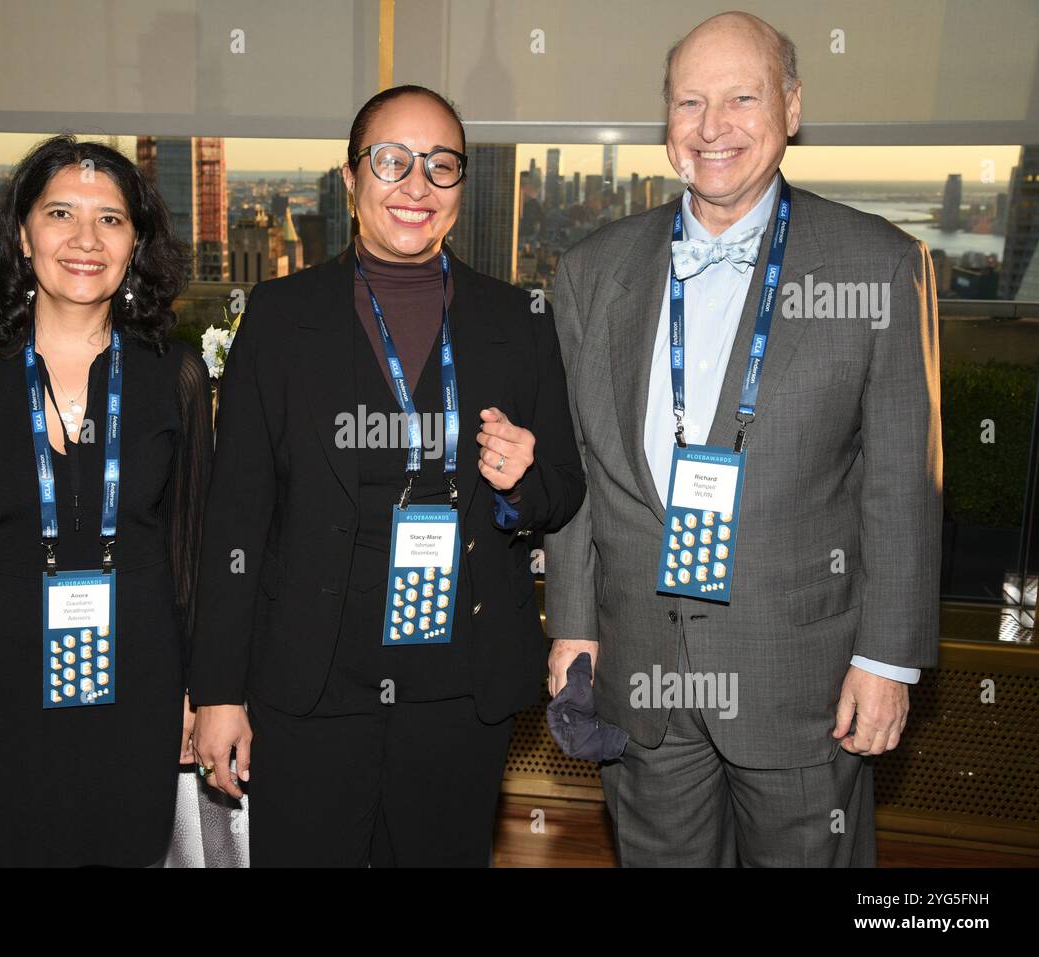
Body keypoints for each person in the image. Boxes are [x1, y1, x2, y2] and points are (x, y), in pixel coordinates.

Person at [544, 11, 941, 867]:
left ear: (792, 108)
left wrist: (888, 660)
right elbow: (581, 468)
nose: (711, 126)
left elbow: (902, 483)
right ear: (666, 122)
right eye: (689, 102)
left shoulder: (880, 267)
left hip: (803, 681)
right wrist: (573, 625)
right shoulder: (590, 272)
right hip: (640, 674)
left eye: (740, 98)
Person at [190, 85, 585, 867]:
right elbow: (233, 519)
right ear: (350, 179)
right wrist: (218, 693)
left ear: (461, 187)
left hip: (457, 687)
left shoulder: (518, 321)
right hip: (309, 683)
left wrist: (519, 479)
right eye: (392, 161)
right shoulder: (276, 317)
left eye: (441, 166)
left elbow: (563, 490)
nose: (416, 185)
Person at [0, 134, 211, 867]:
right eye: (61, 213)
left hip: (139, 687)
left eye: (111, 219)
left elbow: (193, 552)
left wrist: (201, 688)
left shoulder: (174, 374)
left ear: (136, 243)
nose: (85, 239)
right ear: (23, 235)